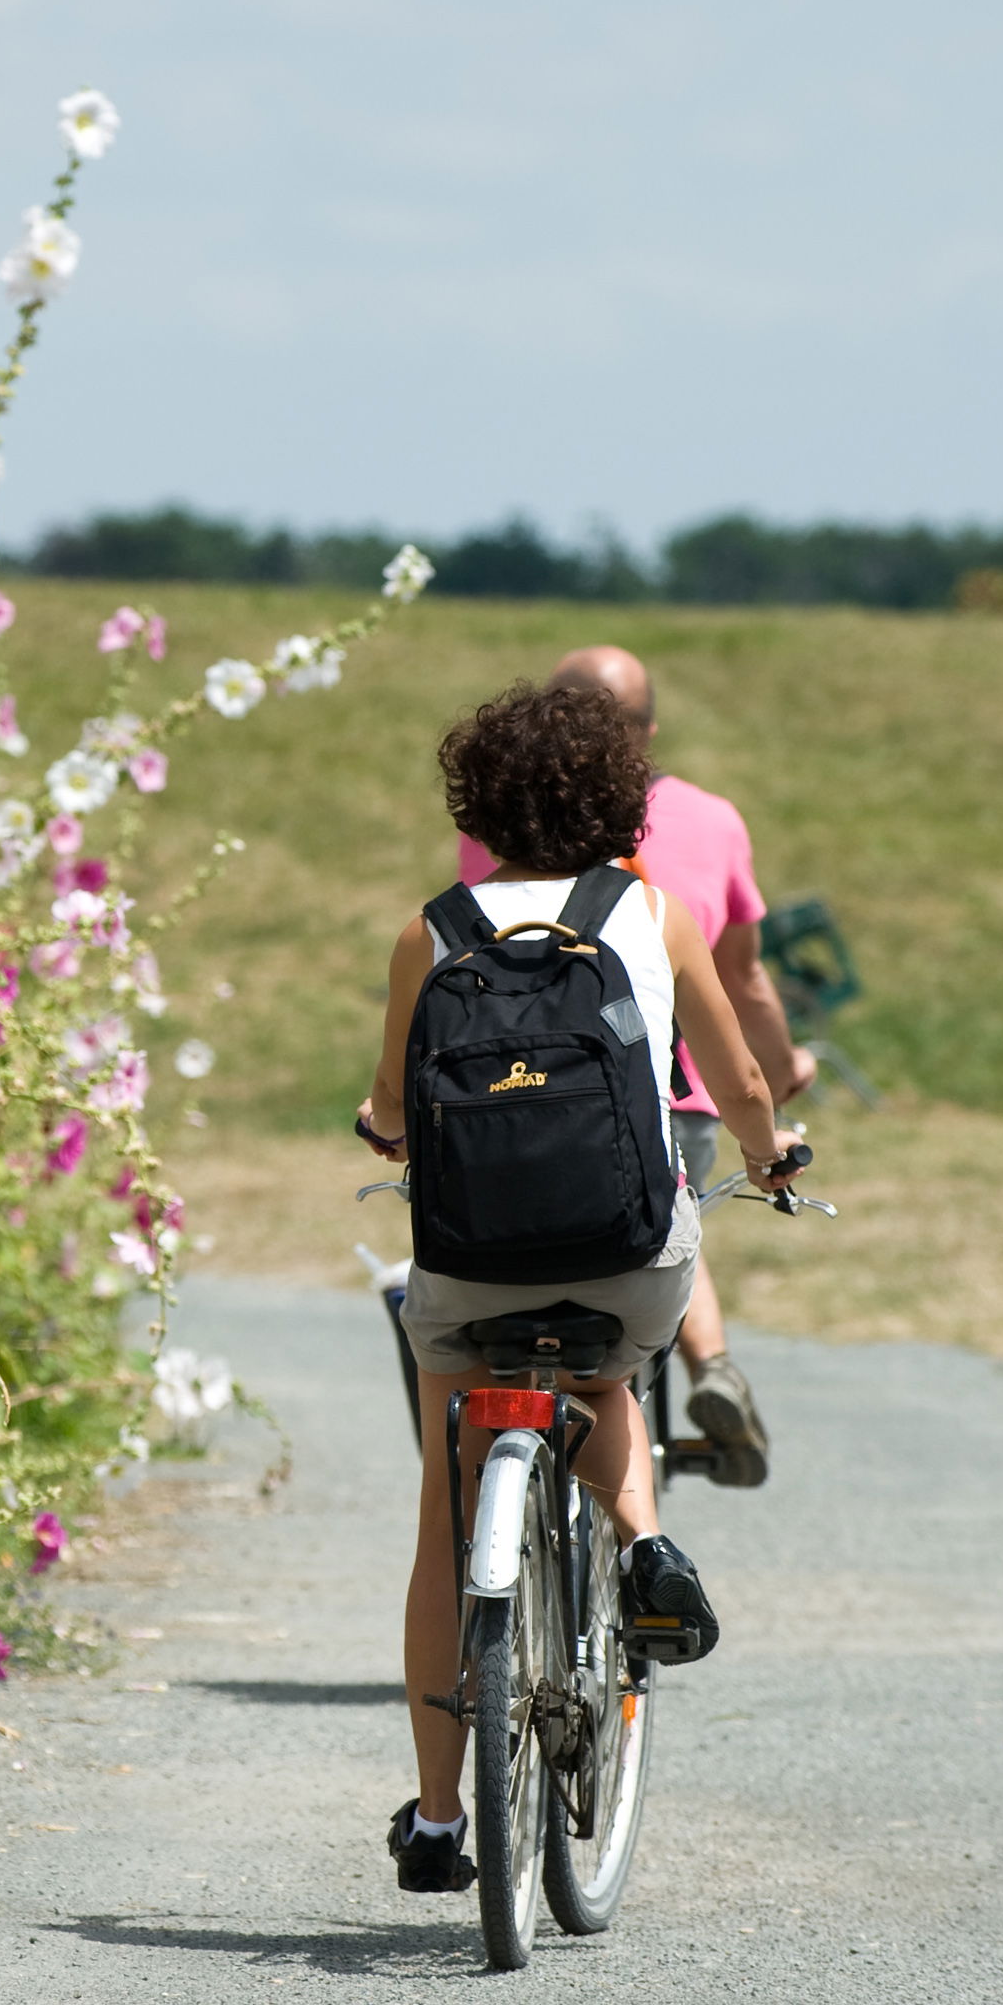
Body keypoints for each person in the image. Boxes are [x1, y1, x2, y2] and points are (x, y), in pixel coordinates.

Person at [361, 676, 806, 1892]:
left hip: (467, 1265)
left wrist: (380, 1123)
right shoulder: (652, 916)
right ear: (620, 799)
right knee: (606, 1369)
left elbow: (395, 1106)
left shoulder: (432, 930)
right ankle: (646, 1540)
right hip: (627, 1252)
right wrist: (771, 1159)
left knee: (446, 1515)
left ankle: (446, 1823)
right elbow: (740, 1086)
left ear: (480, 802)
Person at [456, 643, 812, 1489]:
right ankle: (710, 1366)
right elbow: (744, 977)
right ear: (646, 734)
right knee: (664, 1219)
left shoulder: (498, 826)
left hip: (512, 1095)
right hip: (673, 1088)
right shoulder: (712, 821)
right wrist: (780, 1066)